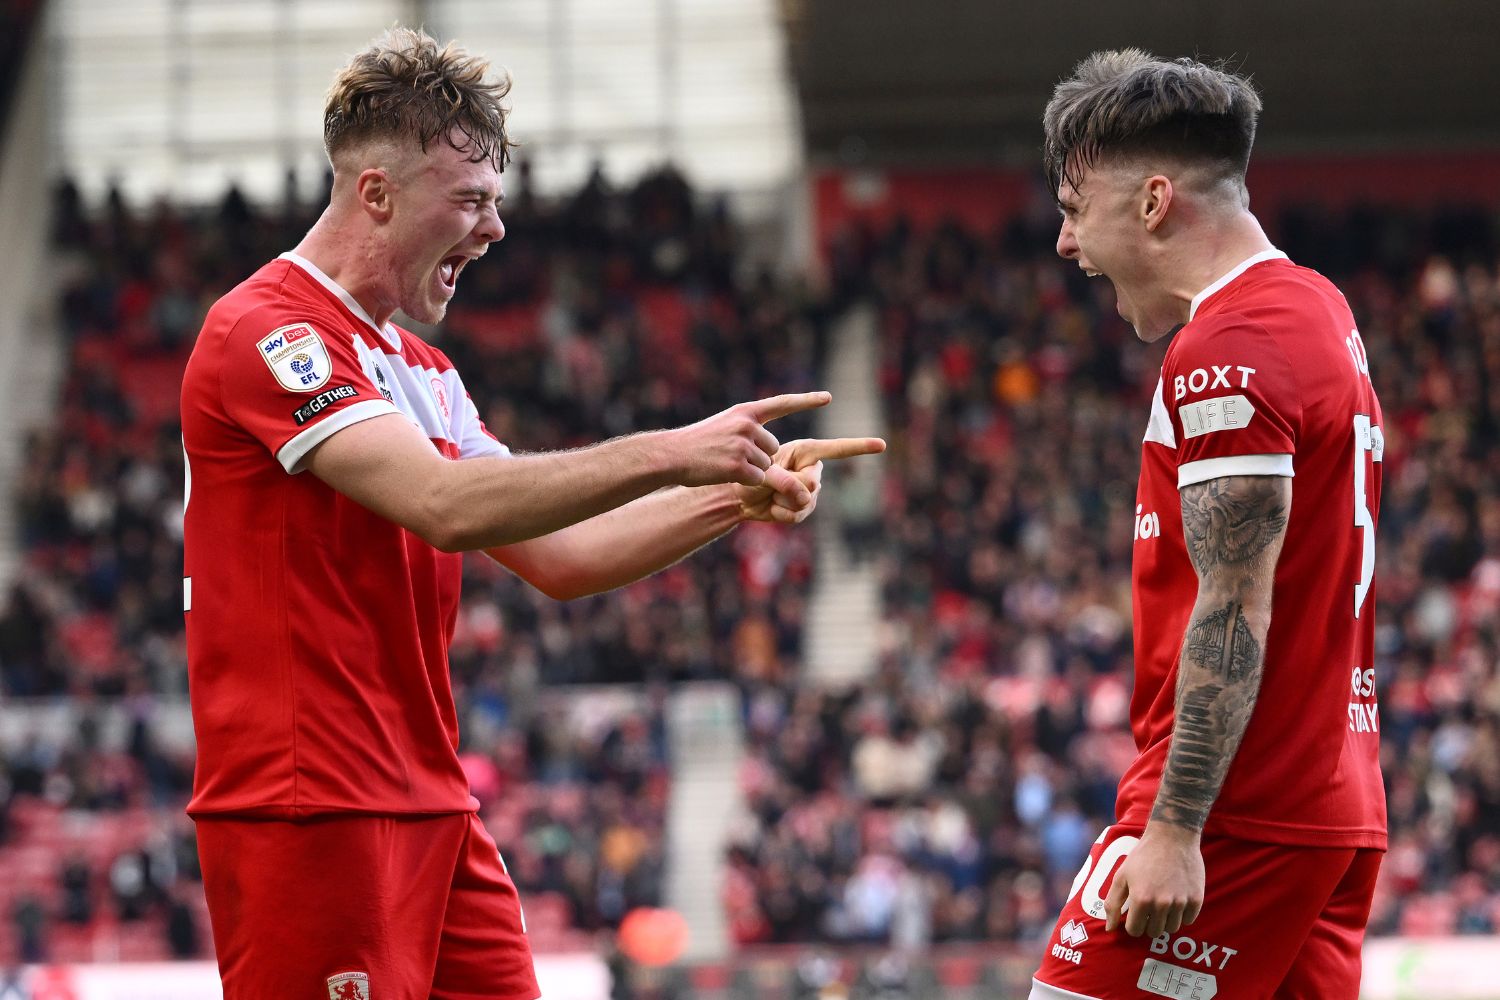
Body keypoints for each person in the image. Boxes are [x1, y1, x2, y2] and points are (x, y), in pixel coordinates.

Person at [179, 27, 883, 1000]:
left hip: (429, 799)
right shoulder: (265, 331)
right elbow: (442, 504)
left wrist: (733, 495)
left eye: (495, 202)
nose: (495, 229)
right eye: (471, 200)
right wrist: (677, 448)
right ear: (376, 192)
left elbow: (562, 556)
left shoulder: (423, 370)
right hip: (313, 806)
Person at [1029, 50, 1385, 999]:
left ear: (1152, 202)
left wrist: (1176, 830)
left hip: (1237, 815)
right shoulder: (1319, 310)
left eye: (1074, 211)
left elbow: (1234, 605)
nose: (1067, 244)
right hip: (1332, 801)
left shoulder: (1229, 348)